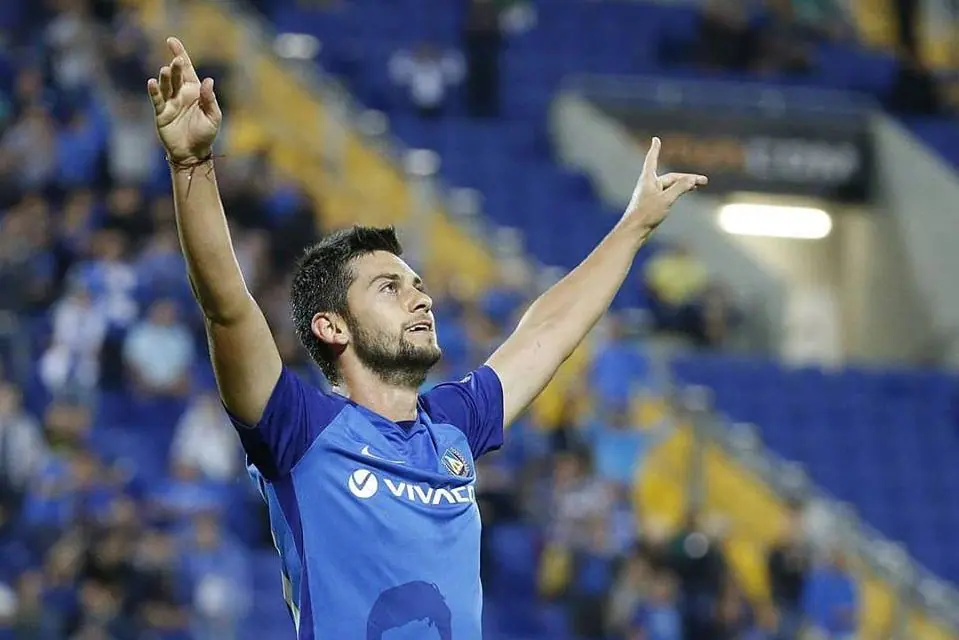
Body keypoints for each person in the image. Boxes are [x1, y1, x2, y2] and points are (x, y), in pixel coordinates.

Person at [146, 36, 707, 639]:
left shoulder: (453, 425)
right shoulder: (300, 428)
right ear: (332, 326)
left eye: (417, 285)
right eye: (389, 288)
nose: (421, 298)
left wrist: (633, 226)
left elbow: (548, 328)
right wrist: (192, 166)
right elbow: (228, 307)